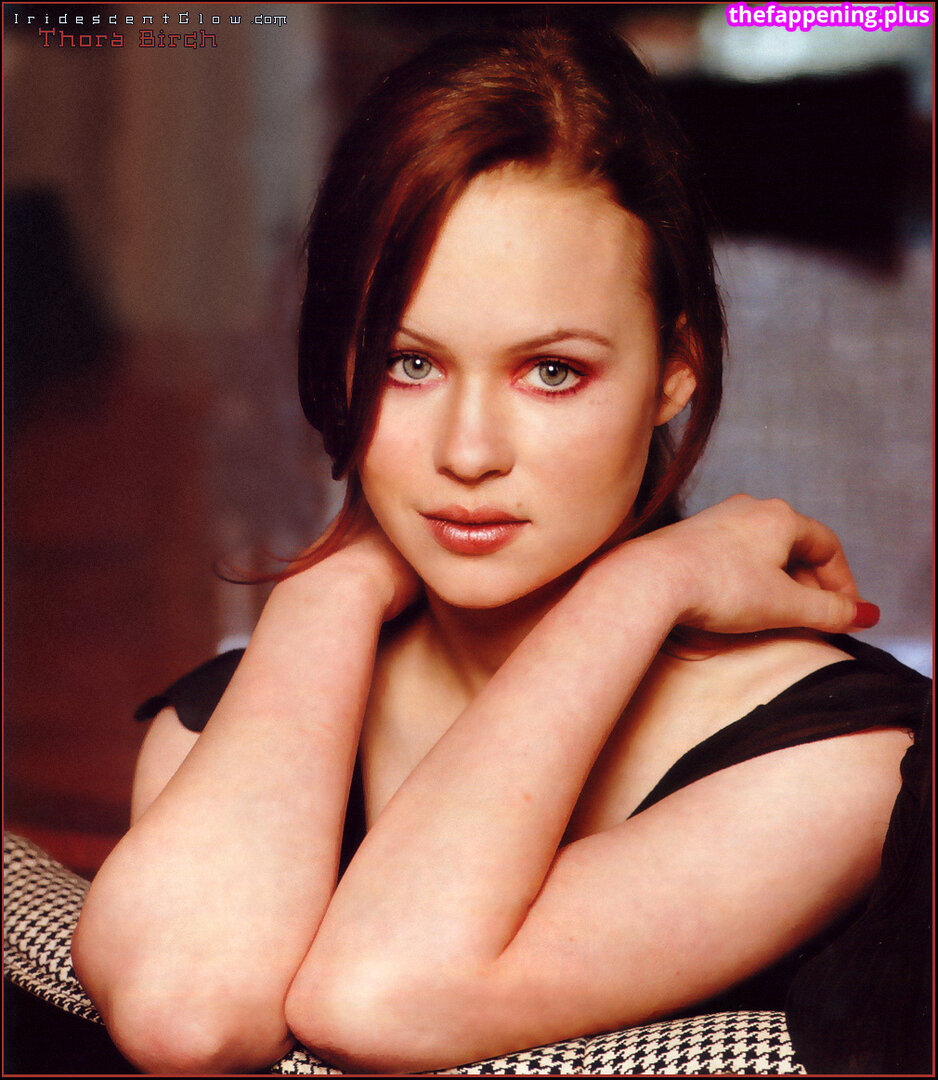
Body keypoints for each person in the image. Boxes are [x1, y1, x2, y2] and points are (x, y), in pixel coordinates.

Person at [71, 21, 930, 1076]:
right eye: (408, 363)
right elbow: (186, 1018)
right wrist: (331, 588)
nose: (467, 453)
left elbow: (379, 995)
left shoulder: (846, 766)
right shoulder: (247, 715)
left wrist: (634, 590)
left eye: (552, 371)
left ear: (676, 370)